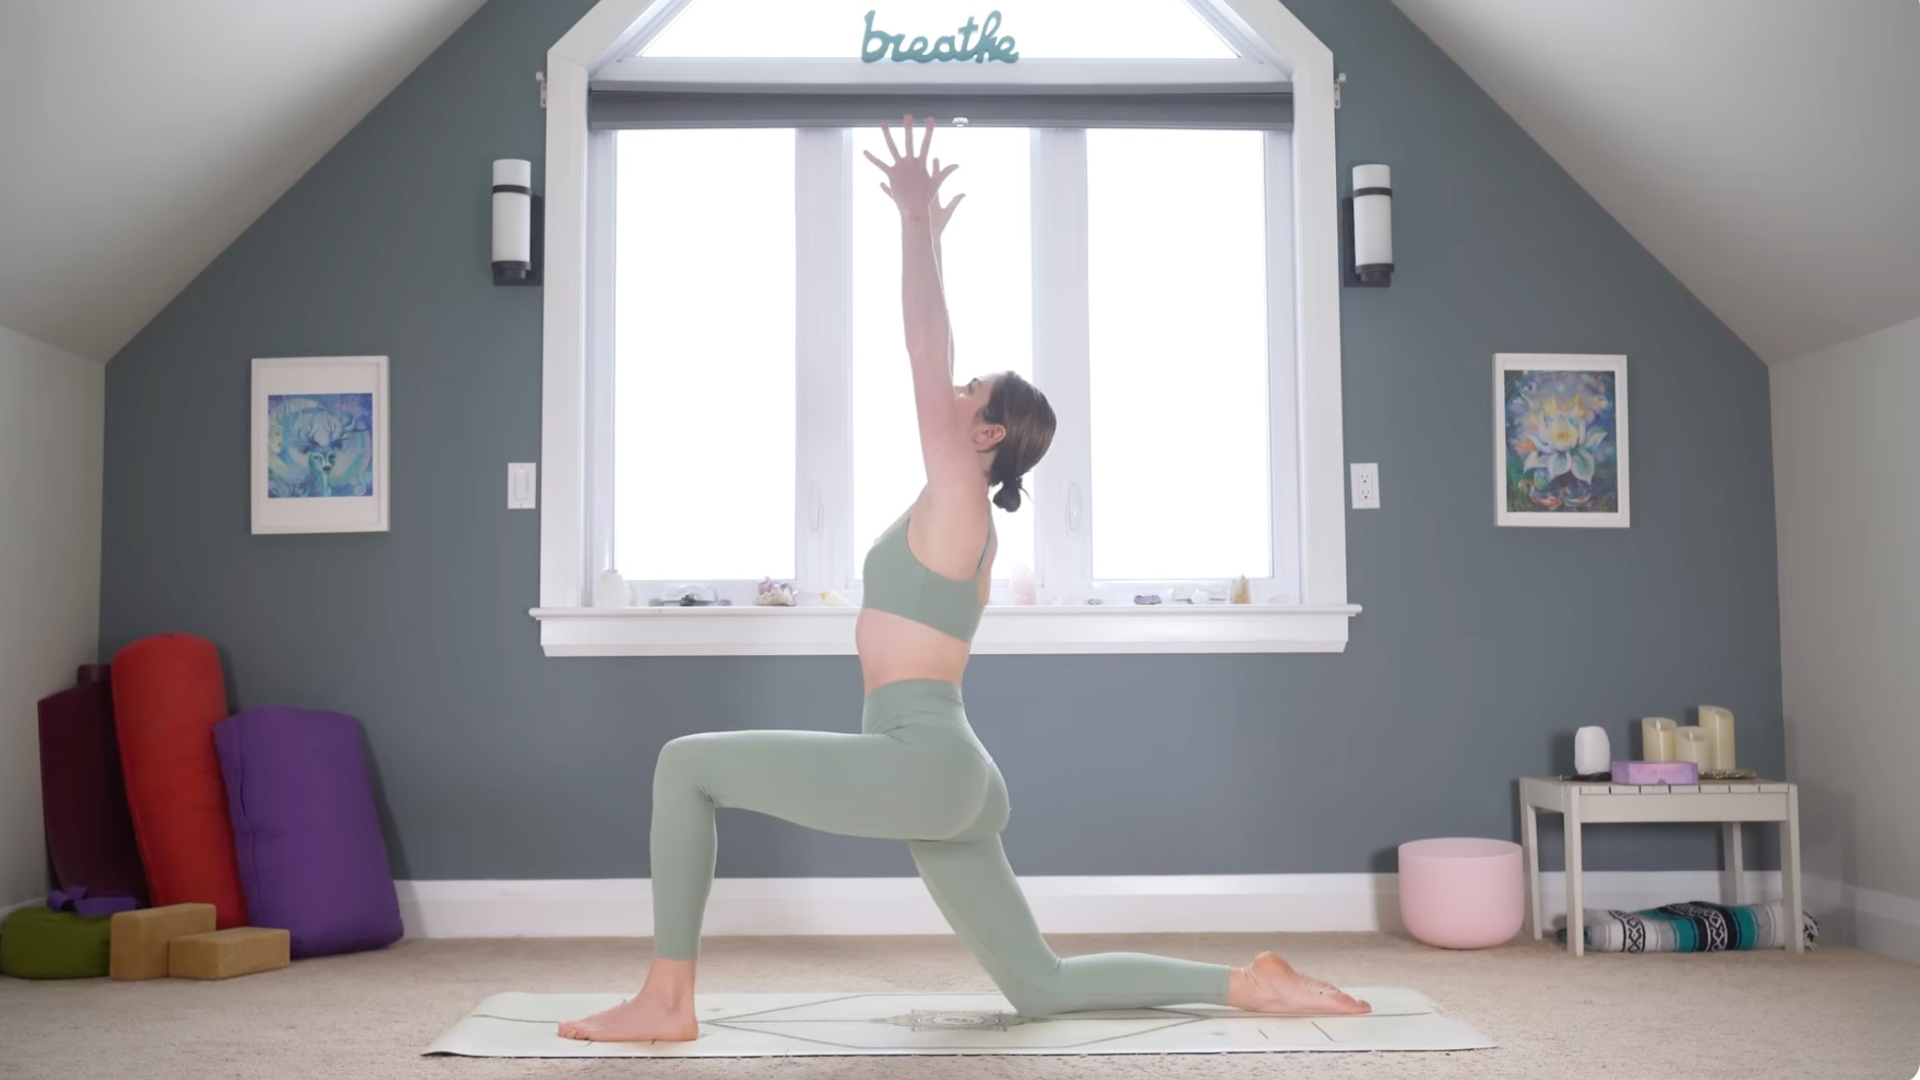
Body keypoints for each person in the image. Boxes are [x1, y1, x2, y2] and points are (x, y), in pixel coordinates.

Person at [560, 115, 1370, 1042]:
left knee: (684, 765)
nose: (950, 392)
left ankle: (666, 1002)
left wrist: (913, 224)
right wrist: (934, 243)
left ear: (986, 436)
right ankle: (1247, 983)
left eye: (969, 390)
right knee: (1041, 985)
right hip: (948, 767)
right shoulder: (953, 506)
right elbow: (933, 358)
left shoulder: (962, 497)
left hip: (922, 758)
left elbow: (922, 349)